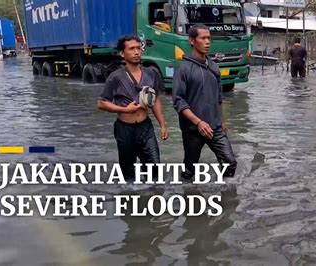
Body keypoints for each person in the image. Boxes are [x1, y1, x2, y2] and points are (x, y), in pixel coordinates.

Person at [97, 36, 168, 179]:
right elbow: (102, 103)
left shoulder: (150, 73)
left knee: (155, 168)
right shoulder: (115, 77)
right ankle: (131, 198)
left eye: (138, 48)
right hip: (125, 128)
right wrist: (124, 110)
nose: (136, 52)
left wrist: (162, 125)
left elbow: (155, 100)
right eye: (131, 49)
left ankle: (153, 197)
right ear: (122, 53)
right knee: (128, 172)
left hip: (145, 127)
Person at [173, 24, 237, 180]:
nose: (207, 42)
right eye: (203, 38)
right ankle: (189, 198)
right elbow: (178, 101)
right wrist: (199, 123)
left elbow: (219, 97)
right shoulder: (184, 69)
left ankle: (226, 196)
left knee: (230, 163)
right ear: (192, 41)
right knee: (190, 171)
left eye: (209, 38)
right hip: (193, 130)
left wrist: (221, 120)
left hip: (215, 127)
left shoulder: (214, 66)